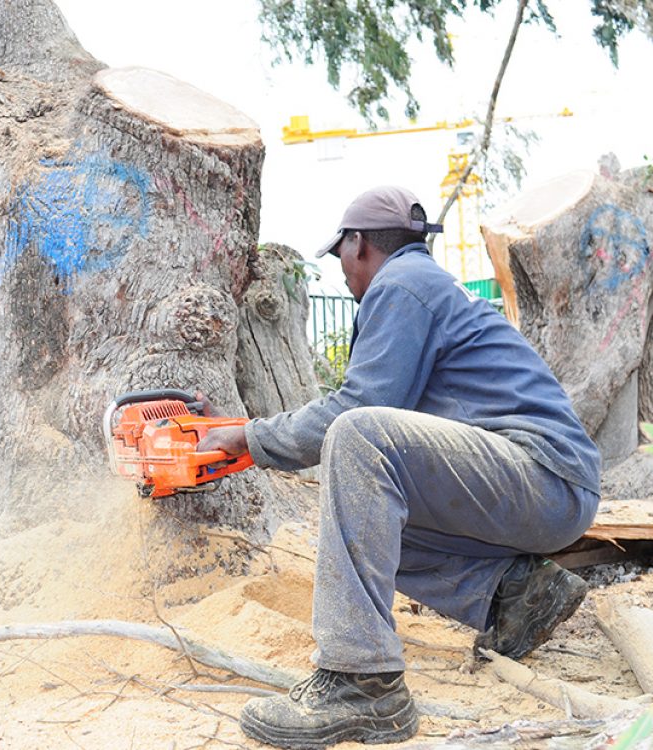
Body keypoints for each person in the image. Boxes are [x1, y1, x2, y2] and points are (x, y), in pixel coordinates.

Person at [198, 186, 601, 748]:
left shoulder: (402, 286)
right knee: (365, 513)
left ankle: (362, 680)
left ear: (359, 244)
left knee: (357, 435)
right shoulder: (422, 285)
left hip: (541, 474)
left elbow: (355, 411)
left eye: (340, 253)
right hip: (541, 485)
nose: (340, 268)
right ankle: (514, 593)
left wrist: (248, 436)